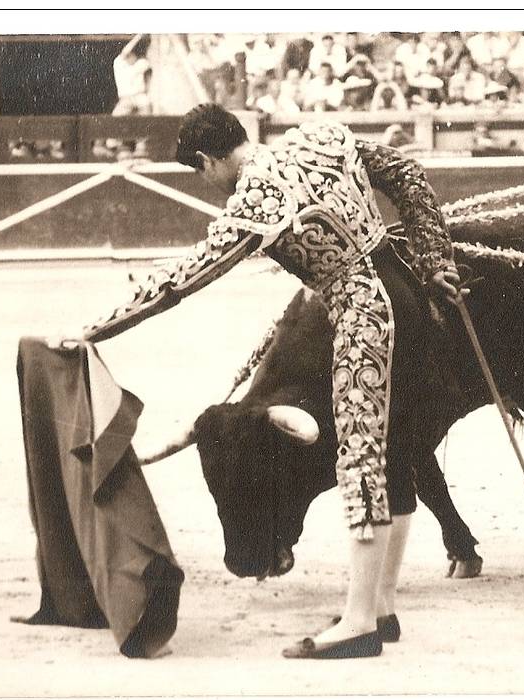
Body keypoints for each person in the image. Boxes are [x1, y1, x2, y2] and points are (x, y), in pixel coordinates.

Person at [75, 105, 463, 659]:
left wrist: (94, 329)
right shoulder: (320, 137)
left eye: (201, 173)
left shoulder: (256, 202)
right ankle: (380, 606)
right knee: (394, 450)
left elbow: (182, 280)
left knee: (359, 459)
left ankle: (359, 624)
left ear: (208, 160)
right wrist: (433, 259)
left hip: (361, 314)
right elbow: (404, 171)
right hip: (407, 295)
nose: (209, 186)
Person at [112, 33, 153, 115]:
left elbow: (150, 68)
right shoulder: (119, 64)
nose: (133, 56)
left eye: (134, 55)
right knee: (115, 118)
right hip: (126, 98)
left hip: (140, 97)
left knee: (148, 117)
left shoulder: (140, 63)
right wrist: (138, 37)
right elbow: (125, 52)